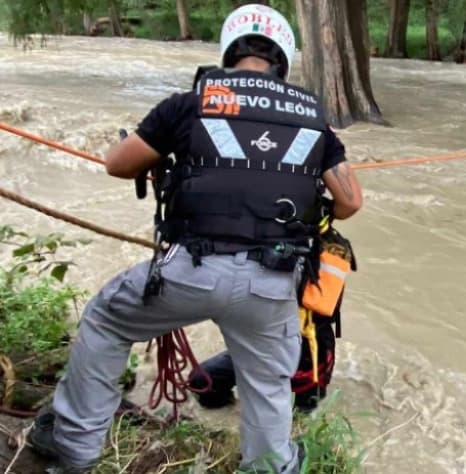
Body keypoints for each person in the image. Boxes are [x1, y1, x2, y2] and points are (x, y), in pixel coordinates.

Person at [26, 4, 363, 474]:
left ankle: (74, 448)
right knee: (267, 383)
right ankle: (271, 467)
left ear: (229, 51)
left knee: (105, 319)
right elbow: (349, 202)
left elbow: (118, 163)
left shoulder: (189, 104)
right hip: (272, 285)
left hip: (190, 271)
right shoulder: (313, 121)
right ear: (282, 59)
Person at [189, 217, 357, 414]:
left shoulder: (320, 251)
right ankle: (230, 421)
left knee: (297, 422)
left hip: (305, 354)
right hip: (264, 344)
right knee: (202, 382)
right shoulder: (258, 237)